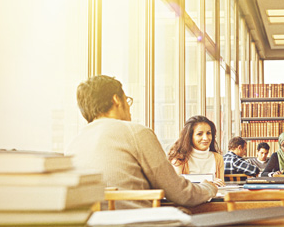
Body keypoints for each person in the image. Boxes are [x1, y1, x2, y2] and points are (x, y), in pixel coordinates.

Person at [65, 75, 217, 209]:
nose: (129, 108)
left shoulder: (74, 143)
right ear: (116, 100)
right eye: (127, 100)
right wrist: (208, 188)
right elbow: (179, 193)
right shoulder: (136, 132)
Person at [168, 116, 225, 186]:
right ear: (190, 136)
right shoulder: (179, 158)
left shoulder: (218, 158)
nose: (205, 138)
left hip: (213, 196)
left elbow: (221, 185)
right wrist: (209, 181)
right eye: (199, 134)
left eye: (208, 133)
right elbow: (176, 185)